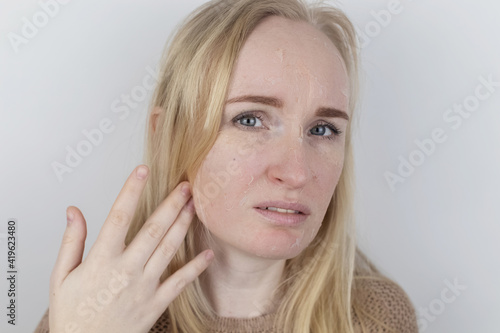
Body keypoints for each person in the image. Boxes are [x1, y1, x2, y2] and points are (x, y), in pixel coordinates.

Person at [35, 0, 418, 332]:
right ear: (166, 134)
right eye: (250, 119)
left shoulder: (373, 318)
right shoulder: (95, 313)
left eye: (323, 129)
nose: (297, 173)